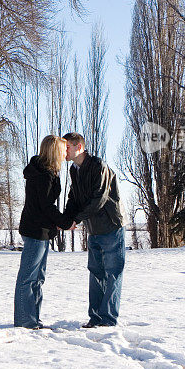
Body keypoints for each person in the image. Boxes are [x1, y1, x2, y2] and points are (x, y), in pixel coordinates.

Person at [62, 132, 125, 327]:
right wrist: (67, 219)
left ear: (78, 147)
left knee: (112, 272)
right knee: (96, 272)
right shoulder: (75, 169)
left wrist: (77, 219)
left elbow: (100, 198)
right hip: (93, 229)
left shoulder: (98, 166)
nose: (63, 151)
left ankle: (108, 319)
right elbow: (74, 198)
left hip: (111, 227)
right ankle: (95, 318)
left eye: (67, 147)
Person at [14, 135, 75, 329]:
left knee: (38, 277)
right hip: (35, 230)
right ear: (55, 151)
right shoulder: (43, 175)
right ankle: (26, 320)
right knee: (28, 277)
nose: (67, 153)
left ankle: (33, 319)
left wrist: (56, 223)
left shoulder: (46, 172)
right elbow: (46, 206)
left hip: (40, 229)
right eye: (64, 149)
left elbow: (45, 207)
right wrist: (65, 222)